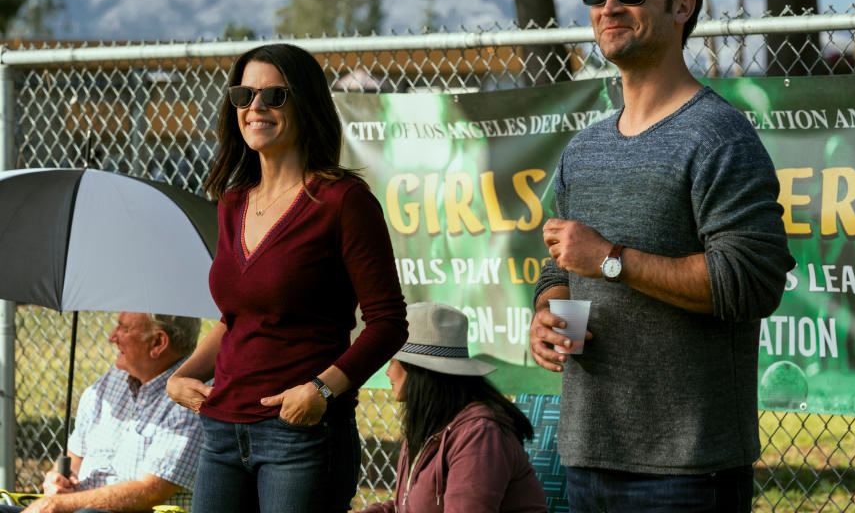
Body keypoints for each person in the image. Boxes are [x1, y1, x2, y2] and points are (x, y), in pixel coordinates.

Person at [528, 0, 795, 512]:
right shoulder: (585, 148)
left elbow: (751, 281)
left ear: (682, 6)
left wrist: (609, 260)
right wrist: (545, 311)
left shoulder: (718, 137)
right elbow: (560, 263)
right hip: (587, 455)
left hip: (686, 472)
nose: (609, 6)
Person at [166, 43, 408, 513]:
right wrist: (184, 375)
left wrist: (321, 390)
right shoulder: (233, 202)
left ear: (306, 104)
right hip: (221, 430)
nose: (255, 107)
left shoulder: (343, 201)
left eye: (274, 96)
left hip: (300, 435)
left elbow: (388, 322)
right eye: (243, 95)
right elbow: (235, 318)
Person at [0, 312, 202, 513]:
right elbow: (75, 459)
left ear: (158, 342)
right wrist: (57, 479)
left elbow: (149, 491)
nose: (112, 337)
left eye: (124, 328)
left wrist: (54, 505)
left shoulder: (190, 400)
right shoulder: (112, 380)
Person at [358, 302, 546, 513]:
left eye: (394, 360)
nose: (388, 372)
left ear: (418, 371)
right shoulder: (428, 425)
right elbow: (410, 507)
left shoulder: (479, 434)